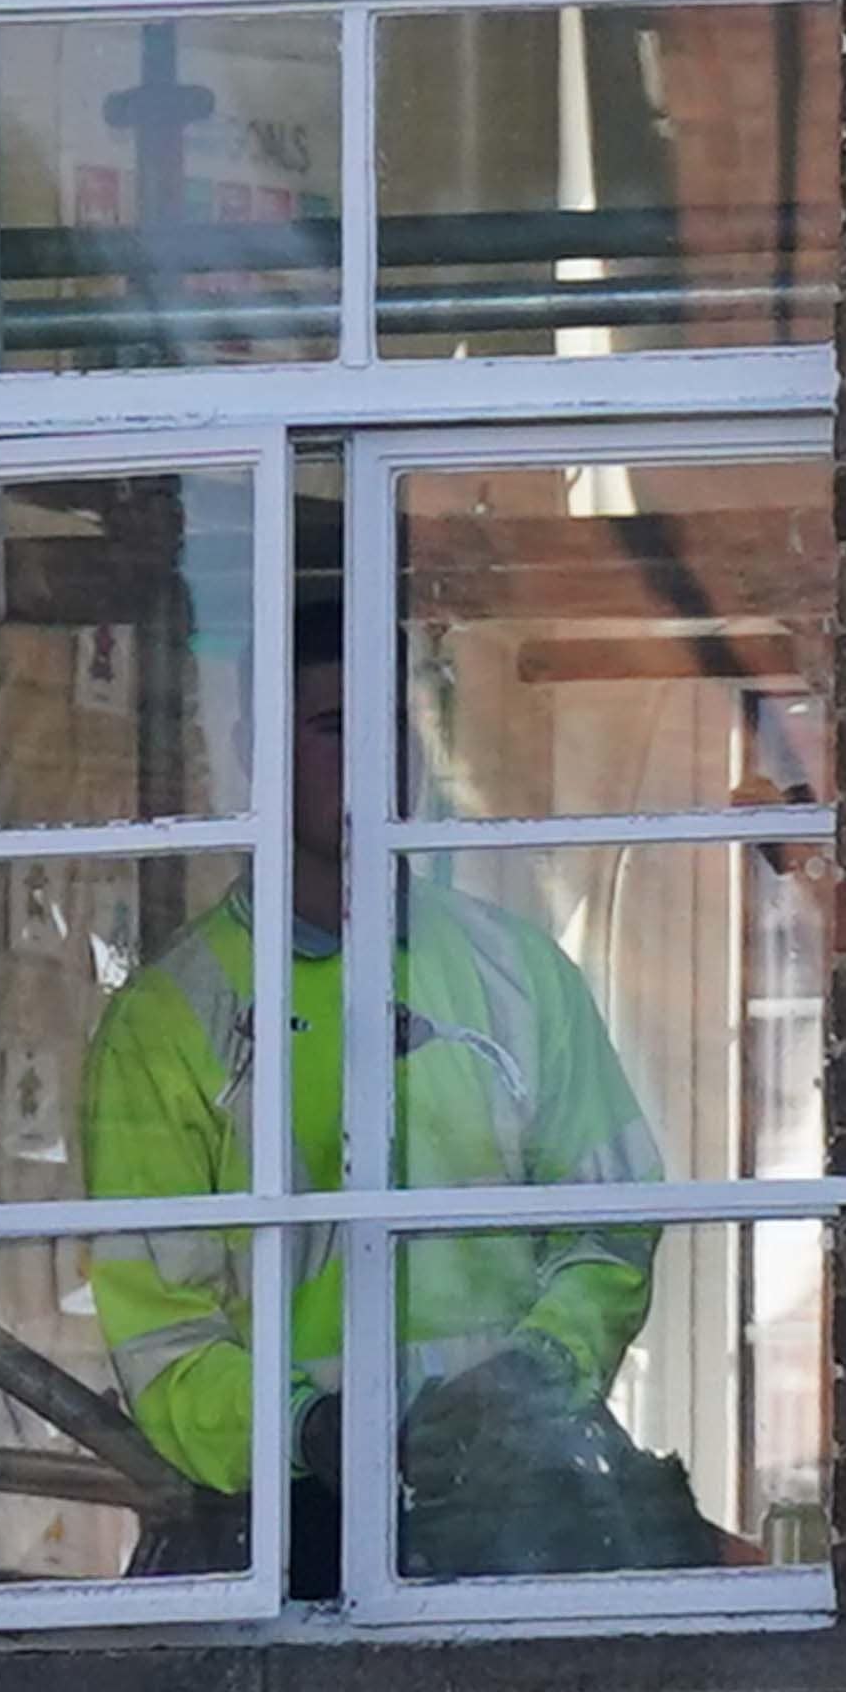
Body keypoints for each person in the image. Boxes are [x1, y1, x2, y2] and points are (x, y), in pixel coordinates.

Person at [78, 586, 714, 1590]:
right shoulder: (167, 1024)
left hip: (528, 1510)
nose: (375, 758)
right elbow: (163, 1334)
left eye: (393, 725)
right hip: (283, 1538)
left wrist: (536, 1373)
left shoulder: (519, 975)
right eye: (335, 726)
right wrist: (315, 1428)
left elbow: (614, 1220)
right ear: (257, 751)